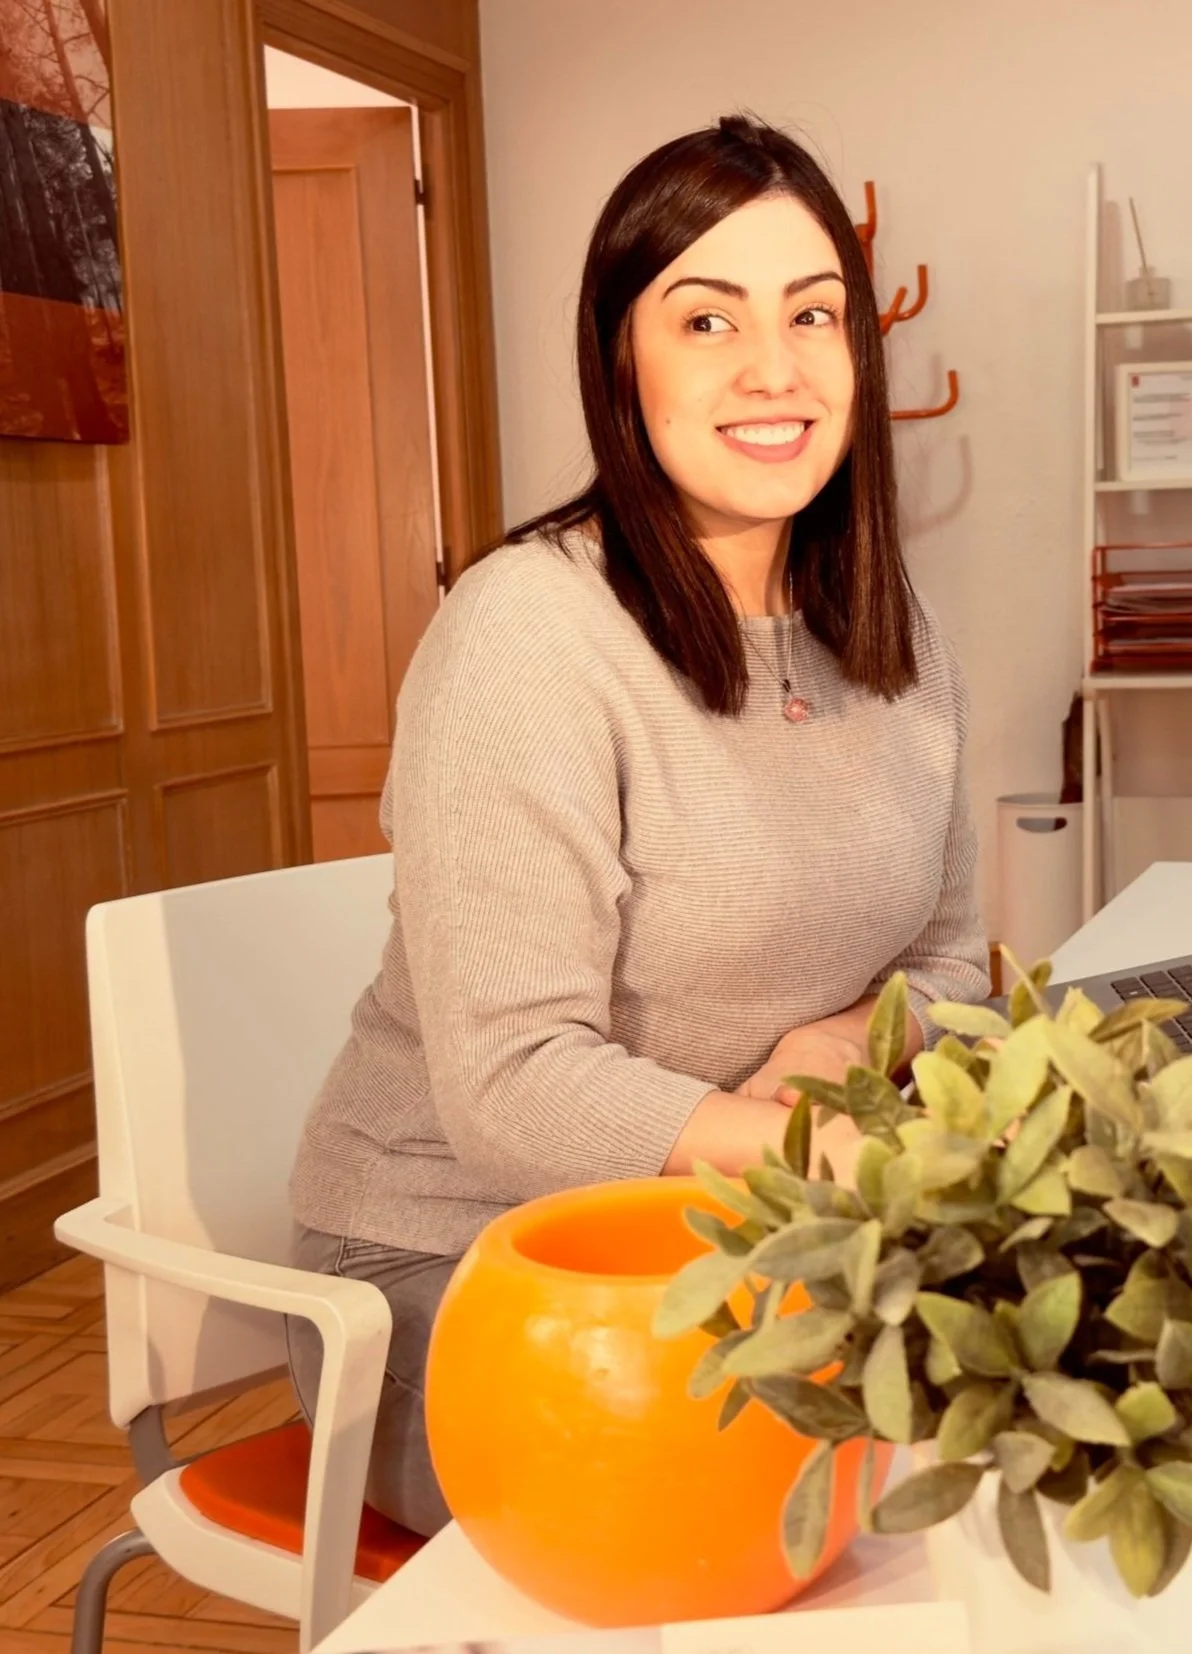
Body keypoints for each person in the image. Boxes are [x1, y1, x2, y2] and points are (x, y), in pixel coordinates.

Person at [285, 114, 989, 1537]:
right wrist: (823, 1154)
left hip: (741, 1226)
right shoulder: (530, 634)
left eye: (812, 315)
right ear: (622, 363)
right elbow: (513, 1088)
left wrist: (832, 1050)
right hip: (463, 1266)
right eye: (706, 319)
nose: (773, 369)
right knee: (856, 1500)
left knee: (1032, 1414)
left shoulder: (888, 628)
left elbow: (951, 956)